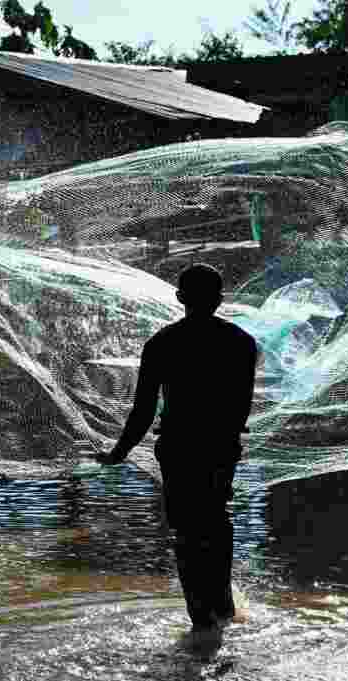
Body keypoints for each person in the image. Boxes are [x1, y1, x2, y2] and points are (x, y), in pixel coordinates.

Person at [96, 263, 258, 638]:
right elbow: (240, 405)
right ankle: (223, 607)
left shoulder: (162, 344)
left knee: (186, 529)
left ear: (180, 297)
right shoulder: (241, 342)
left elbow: (143, 410)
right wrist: (225, 435)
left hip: (179, 449)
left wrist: (119, 452)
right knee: (216, 521)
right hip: (219, 447)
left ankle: (200, 618)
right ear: (220, 299)